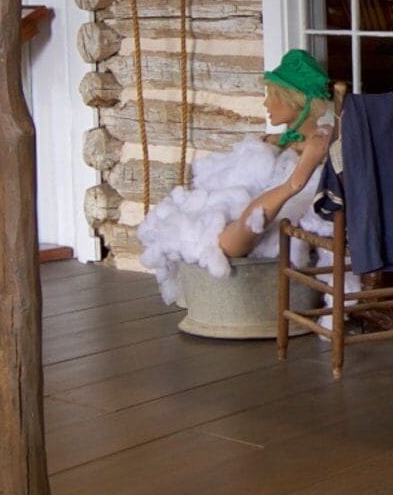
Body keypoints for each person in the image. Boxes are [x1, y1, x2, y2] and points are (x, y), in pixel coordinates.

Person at [136, 49, 339, 306]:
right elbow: (231, 184)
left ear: (294, 100)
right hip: (245, 205)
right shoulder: (271, 144)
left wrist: (298, 174)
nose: (266, 104)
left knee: (237, 234)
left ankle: (289, 187)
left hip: (278, 214)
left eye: (272, 96)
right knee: (195, 217)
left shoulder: (319, 146)